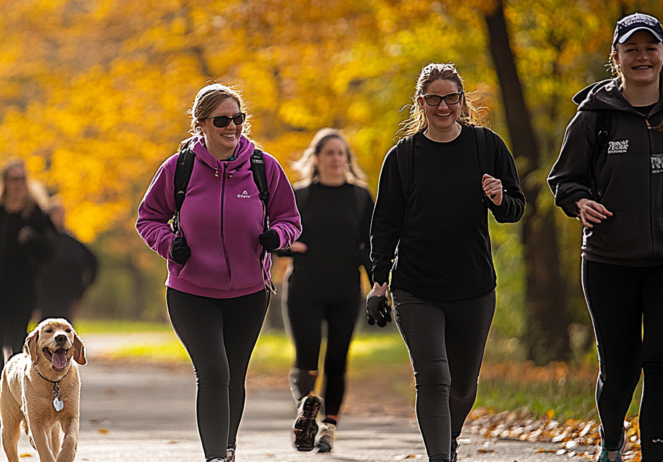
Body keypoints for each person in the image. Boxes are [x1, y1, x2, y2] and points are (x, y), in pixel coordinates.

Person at [547, 13, 663, 462]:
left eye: (649, 48)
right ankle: (612, 439)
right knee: (620, 372)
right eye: (631, 49)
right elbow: (564, 178)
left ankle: (653, 456)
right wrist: (579, 201)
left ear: (662, 54)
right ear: (615, 58)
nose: (642, 57)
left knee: (662, 363)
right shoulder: (594, 116)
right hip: (609, 260)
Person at [136, 83, 302, 462]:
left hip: (248, 291)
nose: (232, 127)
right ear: (202, 124)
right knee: (213, 371)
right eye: (222, 120)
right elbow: (148, 218)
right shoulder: (180, 168)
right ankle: (215, 457)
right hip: (190, 290)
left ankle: (227, 449)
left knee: (233, 375)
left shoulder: (263, 167)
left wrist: (278, 236)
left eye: (238, 119)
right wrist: (168, 244)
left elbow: (290, 218)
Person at [369, 63, 525, 462]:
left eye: (451, 98)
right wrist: (379, 281)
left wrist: (498, 198)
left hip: (472, 286)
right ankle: (440, 455)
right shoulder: (403, 157)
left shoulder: (486, 146)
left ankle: (448, 440)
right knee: (434, 377)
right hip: (416, 287)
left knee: (463, 387)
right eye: (434, 98)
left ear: (461, 100)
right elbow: (385, 224)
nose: (443, 106)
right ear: (421, 103)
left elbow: (515, 210)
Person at [275, 128, 373, 453]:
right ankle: (307, 409)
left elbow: (372, 247)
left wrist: (378, 288)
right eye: (329, 152)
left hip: (346, 291)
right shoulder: (299, 195)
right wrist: (290, 248)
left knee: (337, 362)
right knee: (306, 360)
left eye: (341, 153)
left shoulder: (359, 197)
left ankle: (329, 428)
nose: (336, 158)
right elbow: (274, 237)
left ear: (347, 159)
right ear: (316, 158)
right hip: (304, 290)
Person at [0, 158, 56, 417]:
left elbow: (51, 251)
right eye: (13, 179)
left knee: (18, 344)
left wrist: (33, 239)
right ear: (4, 183)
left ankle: (18, 399)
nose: (19, 185)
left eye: (22, 179)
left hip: (22, 292)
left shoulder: (37, 214)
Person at [37, 197, 99, 322]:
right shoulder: (41, 241)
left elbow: (93, 262)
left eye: (61, 214)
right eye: (56, 214)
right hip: (45, 293)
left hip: (68, 294)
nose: (59, 217)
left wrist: (85, 286)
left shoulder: (72, 243)